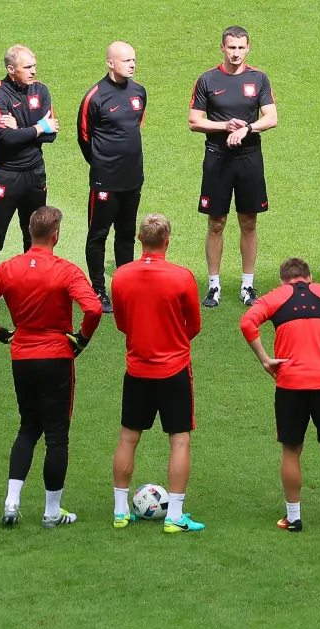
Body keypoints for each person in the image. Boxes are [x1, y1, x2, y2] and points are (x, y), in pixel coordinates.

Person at [0, 206, 102, 527]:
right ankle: (52, 512)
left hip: (22, 357)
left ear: (29, 232)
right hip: (56, 358)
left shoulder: (8, 268)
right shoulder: (66, 270)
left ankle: (11, 503)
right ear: (56, 235)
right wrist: (80, 340)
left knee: (28, 427)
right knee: (57, 436)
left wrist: (0, 333)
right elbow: (93, 308)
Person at [239, 257, 320, 532]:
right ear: (309, 277)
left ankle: (293, 518)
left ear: (283, 280)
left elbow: (247, 323)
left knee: (291, 450)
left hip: (289, 384)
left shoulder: (275, 297)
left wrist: (265, 359)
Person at [109, 214, 205, 533]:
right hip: (175, 370)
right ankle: (175, 517)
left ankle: (121, 511)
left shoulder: (121, 276)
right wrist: (173, 340)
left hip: (137, 369)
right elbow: (194, 325)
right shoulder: (182, 277)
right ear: (167, 241)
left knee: (128, 437)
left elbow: (121, 323)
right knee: (179, 441)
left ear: (139, 240)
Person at [189, 26, 278, 308]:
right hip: (217, 157)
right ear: (222, 48)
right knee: (216, 223)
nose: (236, 53)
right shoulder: (207, 79)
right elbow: (194, 121)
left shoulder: (259, 79)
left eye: (241, 48)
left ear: (248, 48)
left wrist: (248, 128)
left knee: (248, 223)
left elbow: (272, 117)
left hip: (249, 158)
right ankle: (213, 285)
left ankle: (247, 286)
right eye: (231, 48)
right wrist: (224, 126)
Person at [0, 44, 59, 284]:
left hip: (35, 174)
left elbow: (52, 134)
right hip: (6, 175)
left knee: (35, 236)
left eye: (34, 65)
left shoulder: (41, 90)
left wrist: (21, 129)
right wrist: (37, 128)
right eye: (27, 67)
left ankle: (31, 287)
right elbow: (5, 137)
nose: (33, 71)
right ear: (11, 69)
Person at [78, 41, 146, 314]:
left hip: (133, 179)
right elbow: (84, 137)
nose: (132, 64)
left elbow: (134, 126)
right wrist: (102, 164)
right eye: (126, 60)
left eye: (133, 59)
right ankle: (97, 289)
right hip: (105, 180)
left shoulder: (139, 92)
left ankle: (124, 288)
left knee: (127, 235)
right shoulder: (95, 96)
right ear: (110, 63)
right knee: (98, 235)